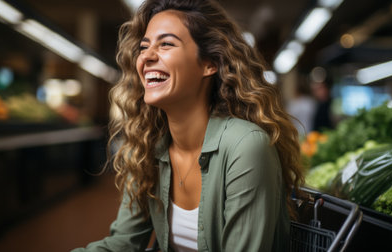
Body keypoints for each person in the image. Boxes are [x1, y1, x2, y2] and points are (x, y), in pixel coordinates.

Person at [72, 0, 304, 251]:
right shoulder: (147, 147)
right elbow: (122, 243)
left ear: (209, 64)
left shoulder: (245, 146)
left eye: (166, 44)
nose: (147, 56)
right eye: (144, 46)